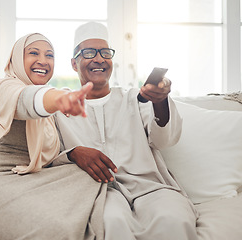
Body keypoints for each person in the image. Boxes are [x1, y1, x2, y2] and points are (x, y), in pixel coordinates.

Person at [0, 33, 104, 240]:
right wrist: (59, 99)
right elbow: (28, 101)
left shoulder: (49, 105)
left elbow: (47, 101)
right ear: (16, 59)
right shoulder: (6, 88)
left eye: (50, 55)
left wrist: (73, 152)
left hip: (16, 180)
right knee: (58, 231)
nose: (43, 60)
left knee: (89, 177)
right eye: (33, 53)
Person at [49, 22, 199, 240]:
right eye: (89, 52)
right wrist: (73, 153)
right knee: (111, 223)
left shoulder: (134, 98)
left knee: (173, 219)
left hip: (150, 188)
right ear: (74, 63)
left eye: (105, 53)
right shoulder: (61, 105)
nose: (99, 59)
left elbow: (165, 139)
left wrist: (160, 100)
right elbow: (46, 154)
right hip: (98, 192)